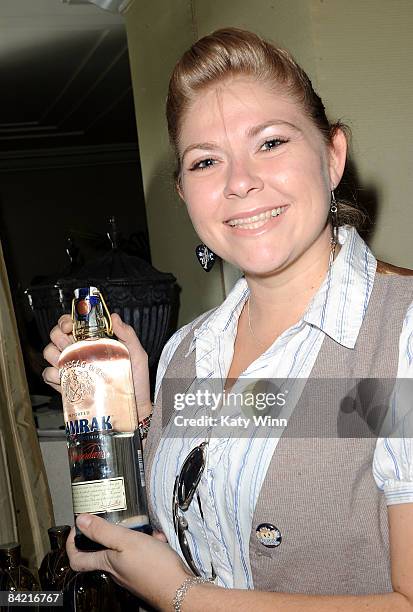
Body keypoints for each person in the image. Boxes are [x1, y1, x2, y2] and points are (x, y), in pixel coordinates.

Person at [43, 28, 413, 611]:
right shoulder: (188, 349)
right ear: (185, 192)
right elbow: (202, 516)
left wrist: (179, 596)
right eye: (206, 160)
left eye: (270, 143)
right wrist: (134, 412)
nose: (239, 181)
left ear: (333, 155)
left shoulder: (402, 335)